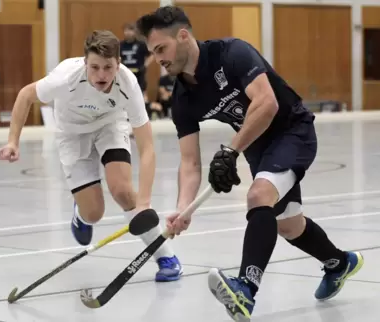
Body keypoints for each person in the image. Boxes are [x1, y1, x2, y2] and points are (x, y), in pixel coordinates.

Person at [136, 6, 364, 321]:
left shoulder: (232, 53)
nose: (158, 59)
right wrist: (183, 207)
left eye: (161, 48)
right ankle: (340, 263)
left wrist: (231, 151)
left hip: (291, 130)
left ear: (184, 36)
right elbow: (189, 162)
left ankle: (245, 290)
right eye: (153, 52)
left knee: (258, 197)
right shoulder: (182, 99)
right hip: (258, 147)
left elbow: (267, 102)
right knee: (287, 224)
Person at [0, 30, 182, 282]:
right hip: (73, 135)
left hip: (110, 126)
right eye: (94, 67)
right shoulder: (65, 78)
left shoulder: (128, 84)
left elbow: (147, 147)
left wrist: (144, 202)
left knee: (125, 192)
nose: (101, 75)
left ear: (119, 64)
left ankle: (166, 257)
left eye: (108, 67)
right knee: (94, 213)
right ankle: (81, 214)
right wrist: (12, 141)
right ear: (85, 63)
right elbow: (25, 95)